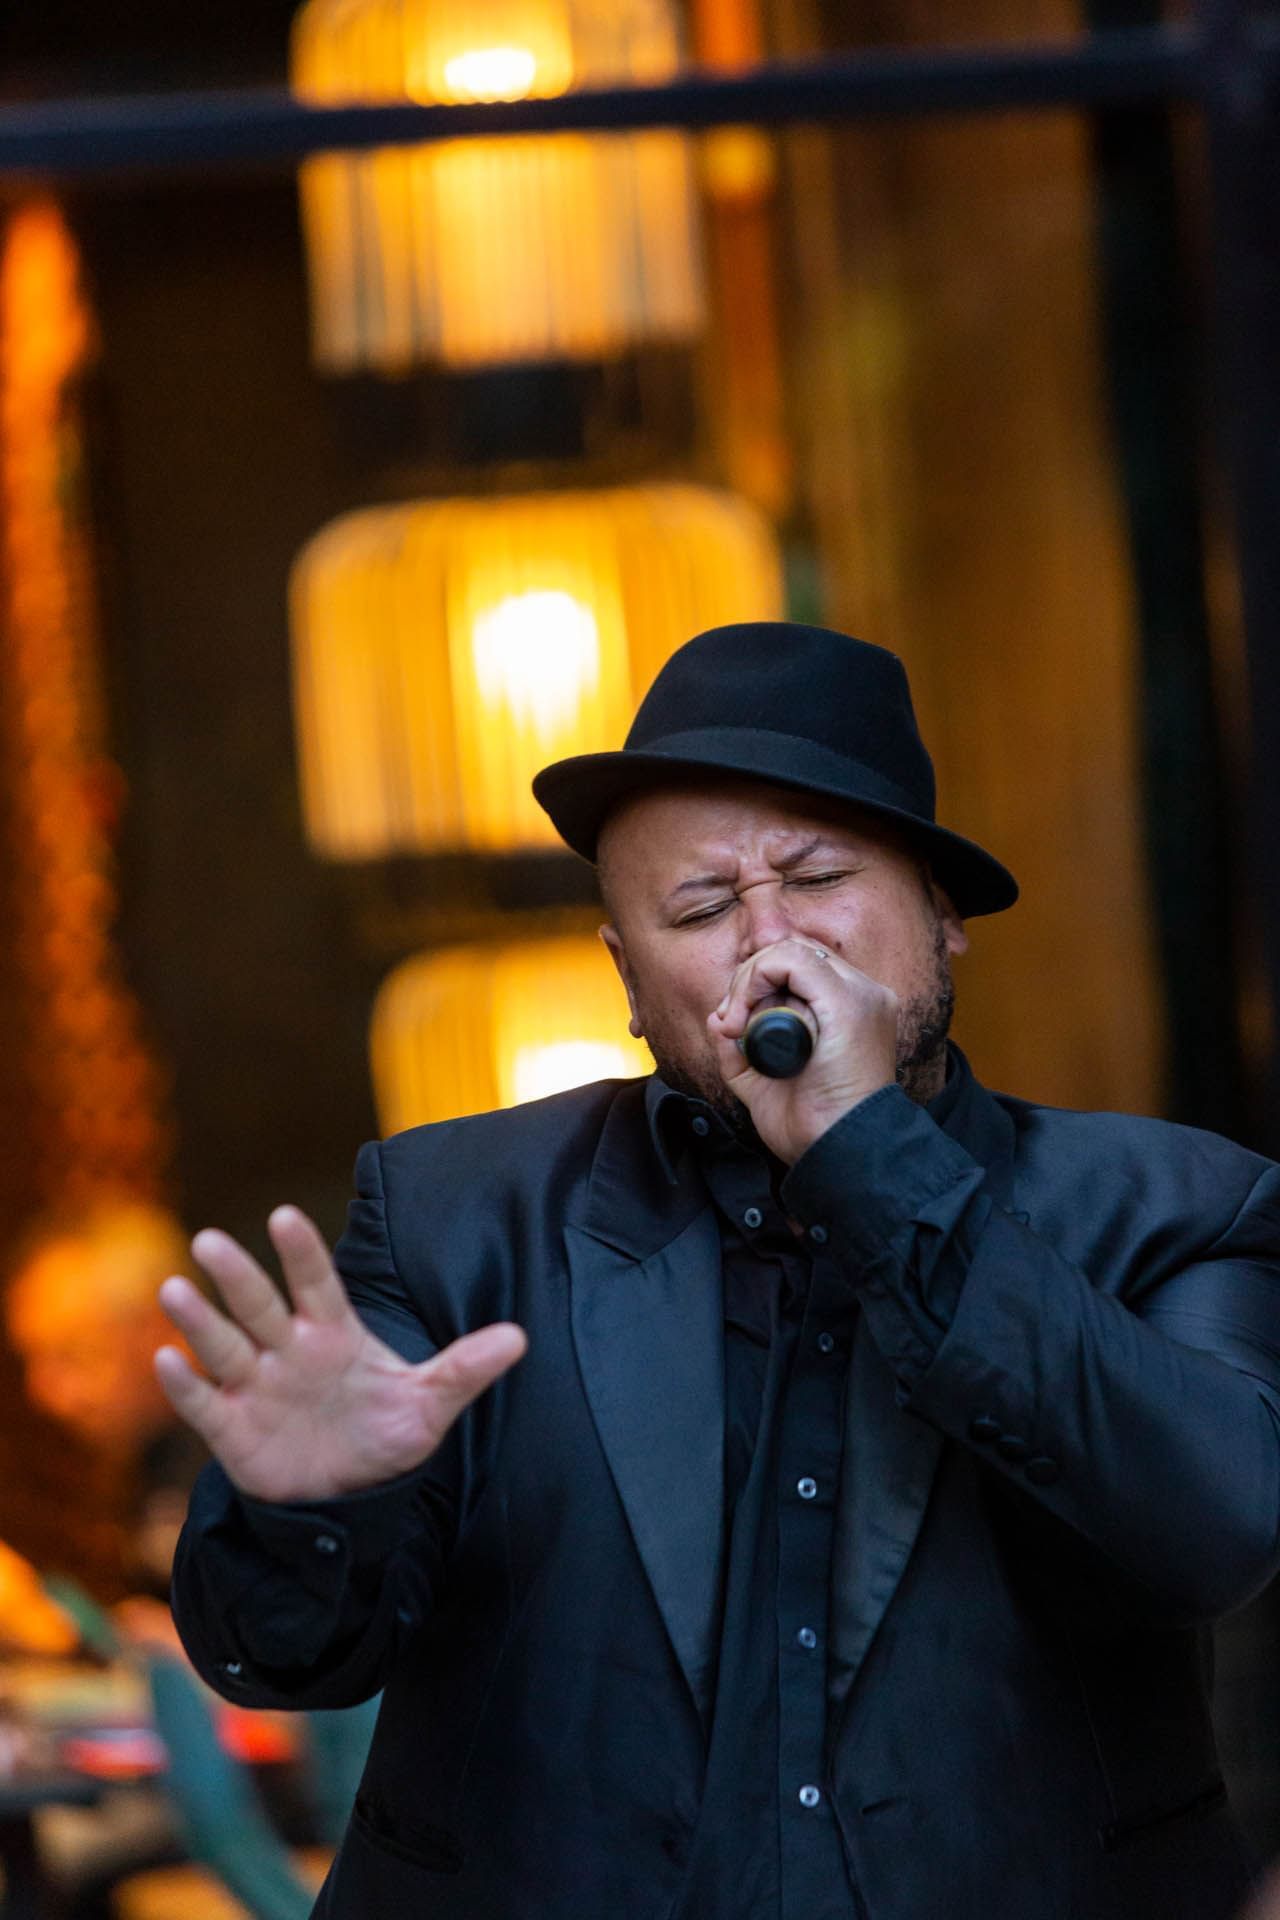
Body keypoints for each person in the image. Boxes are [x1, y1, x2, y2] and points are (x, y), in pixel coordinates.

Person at [161, 623, 1280, 1920]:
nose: (769, 945)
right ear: (631, 983)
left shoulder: (1177, 1205)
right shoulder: (452, 1217)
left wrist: (871, 1161)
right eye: (699, 908)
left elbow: (1220, 1529)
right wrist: (311, 1509)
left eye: (816, 878)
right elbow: (291, 1659)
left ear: (942, 914)